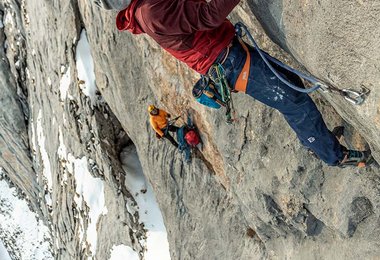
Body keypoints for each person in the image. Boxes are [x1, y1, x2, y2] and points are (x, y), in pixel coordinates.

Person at [93, 0, 371, 167]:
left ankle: (316, 141)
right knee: (295, 101)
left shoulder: (148, 8)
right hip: (228, 63)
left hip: (227, 57)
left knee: (291, 84)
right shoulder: (152, 11)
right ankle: (333, 156)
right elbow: (206, 16)